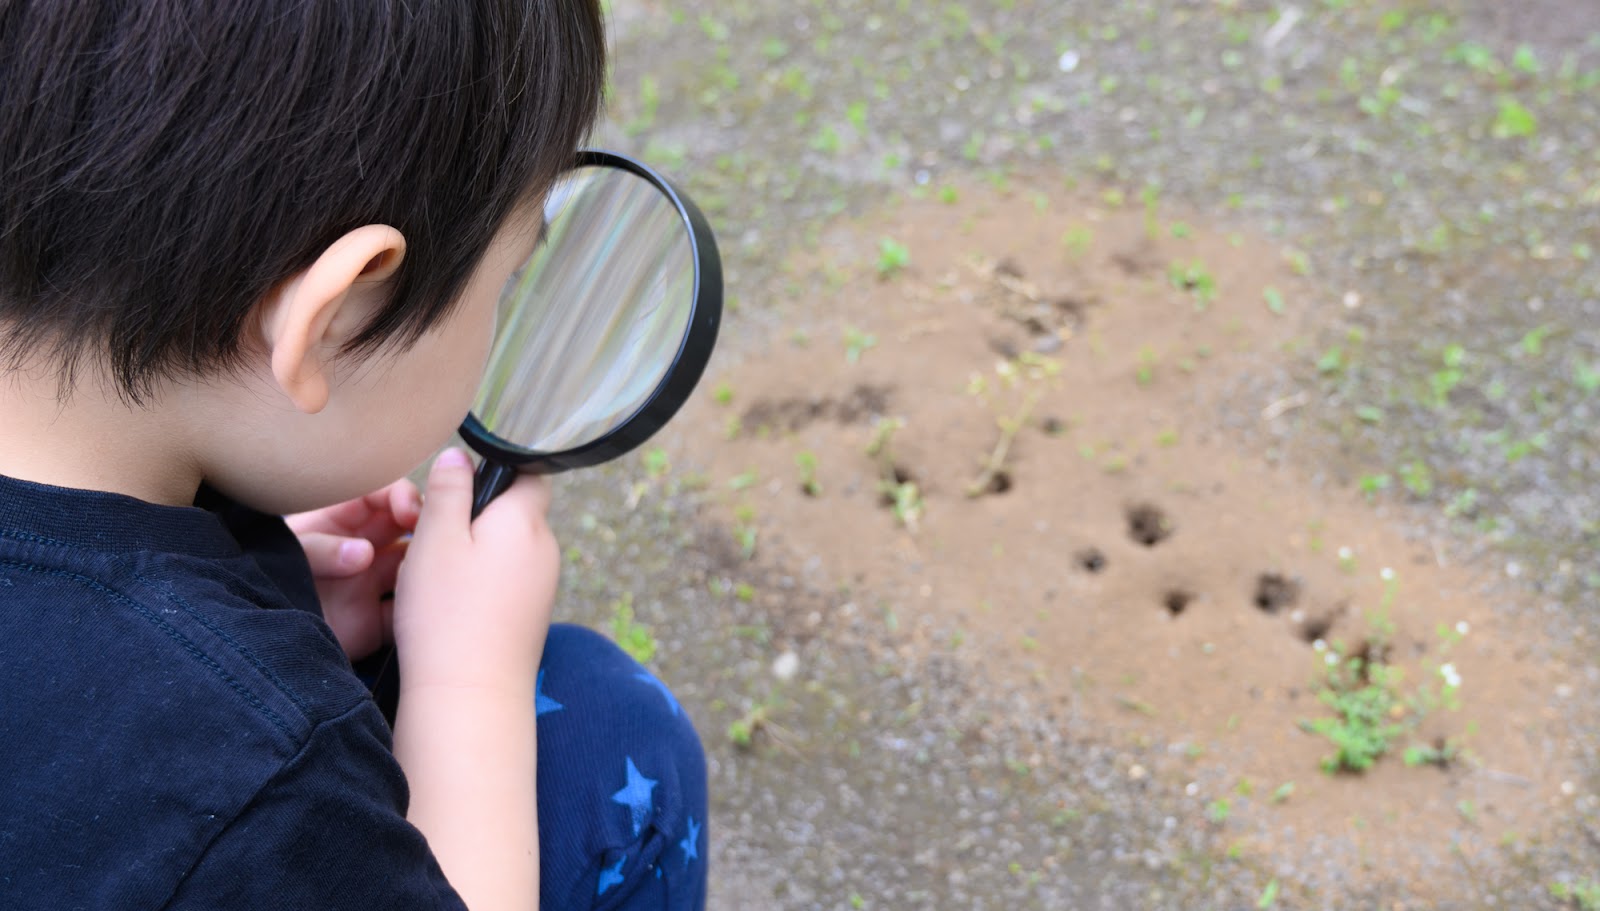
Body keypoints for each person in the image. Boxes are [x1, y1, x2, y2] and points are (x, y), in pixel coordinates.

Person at [0, 3, 707, 909]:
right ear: (332, 317)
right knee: (607, 724)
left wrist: (246, 596)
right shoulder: (265, 776)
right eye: (507, 283)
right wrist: (466, 684)